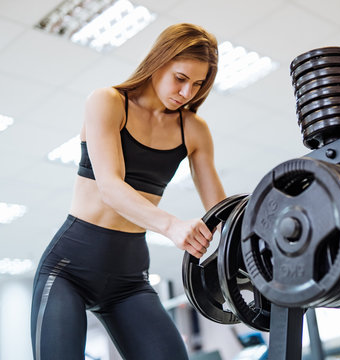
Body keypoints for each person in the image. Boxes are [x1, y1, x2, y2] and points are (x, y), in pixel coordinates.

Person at [30, 23, 227, 360]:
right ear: (158, 62)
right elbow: (110, 187)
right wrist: (171, 226)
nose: (186, 93)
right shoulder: (107, 101)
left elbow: (222, 212)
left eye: (197, 84)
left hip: (129, 279)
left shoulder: (193, 129)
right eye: (180, 78)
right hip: (69, 268)